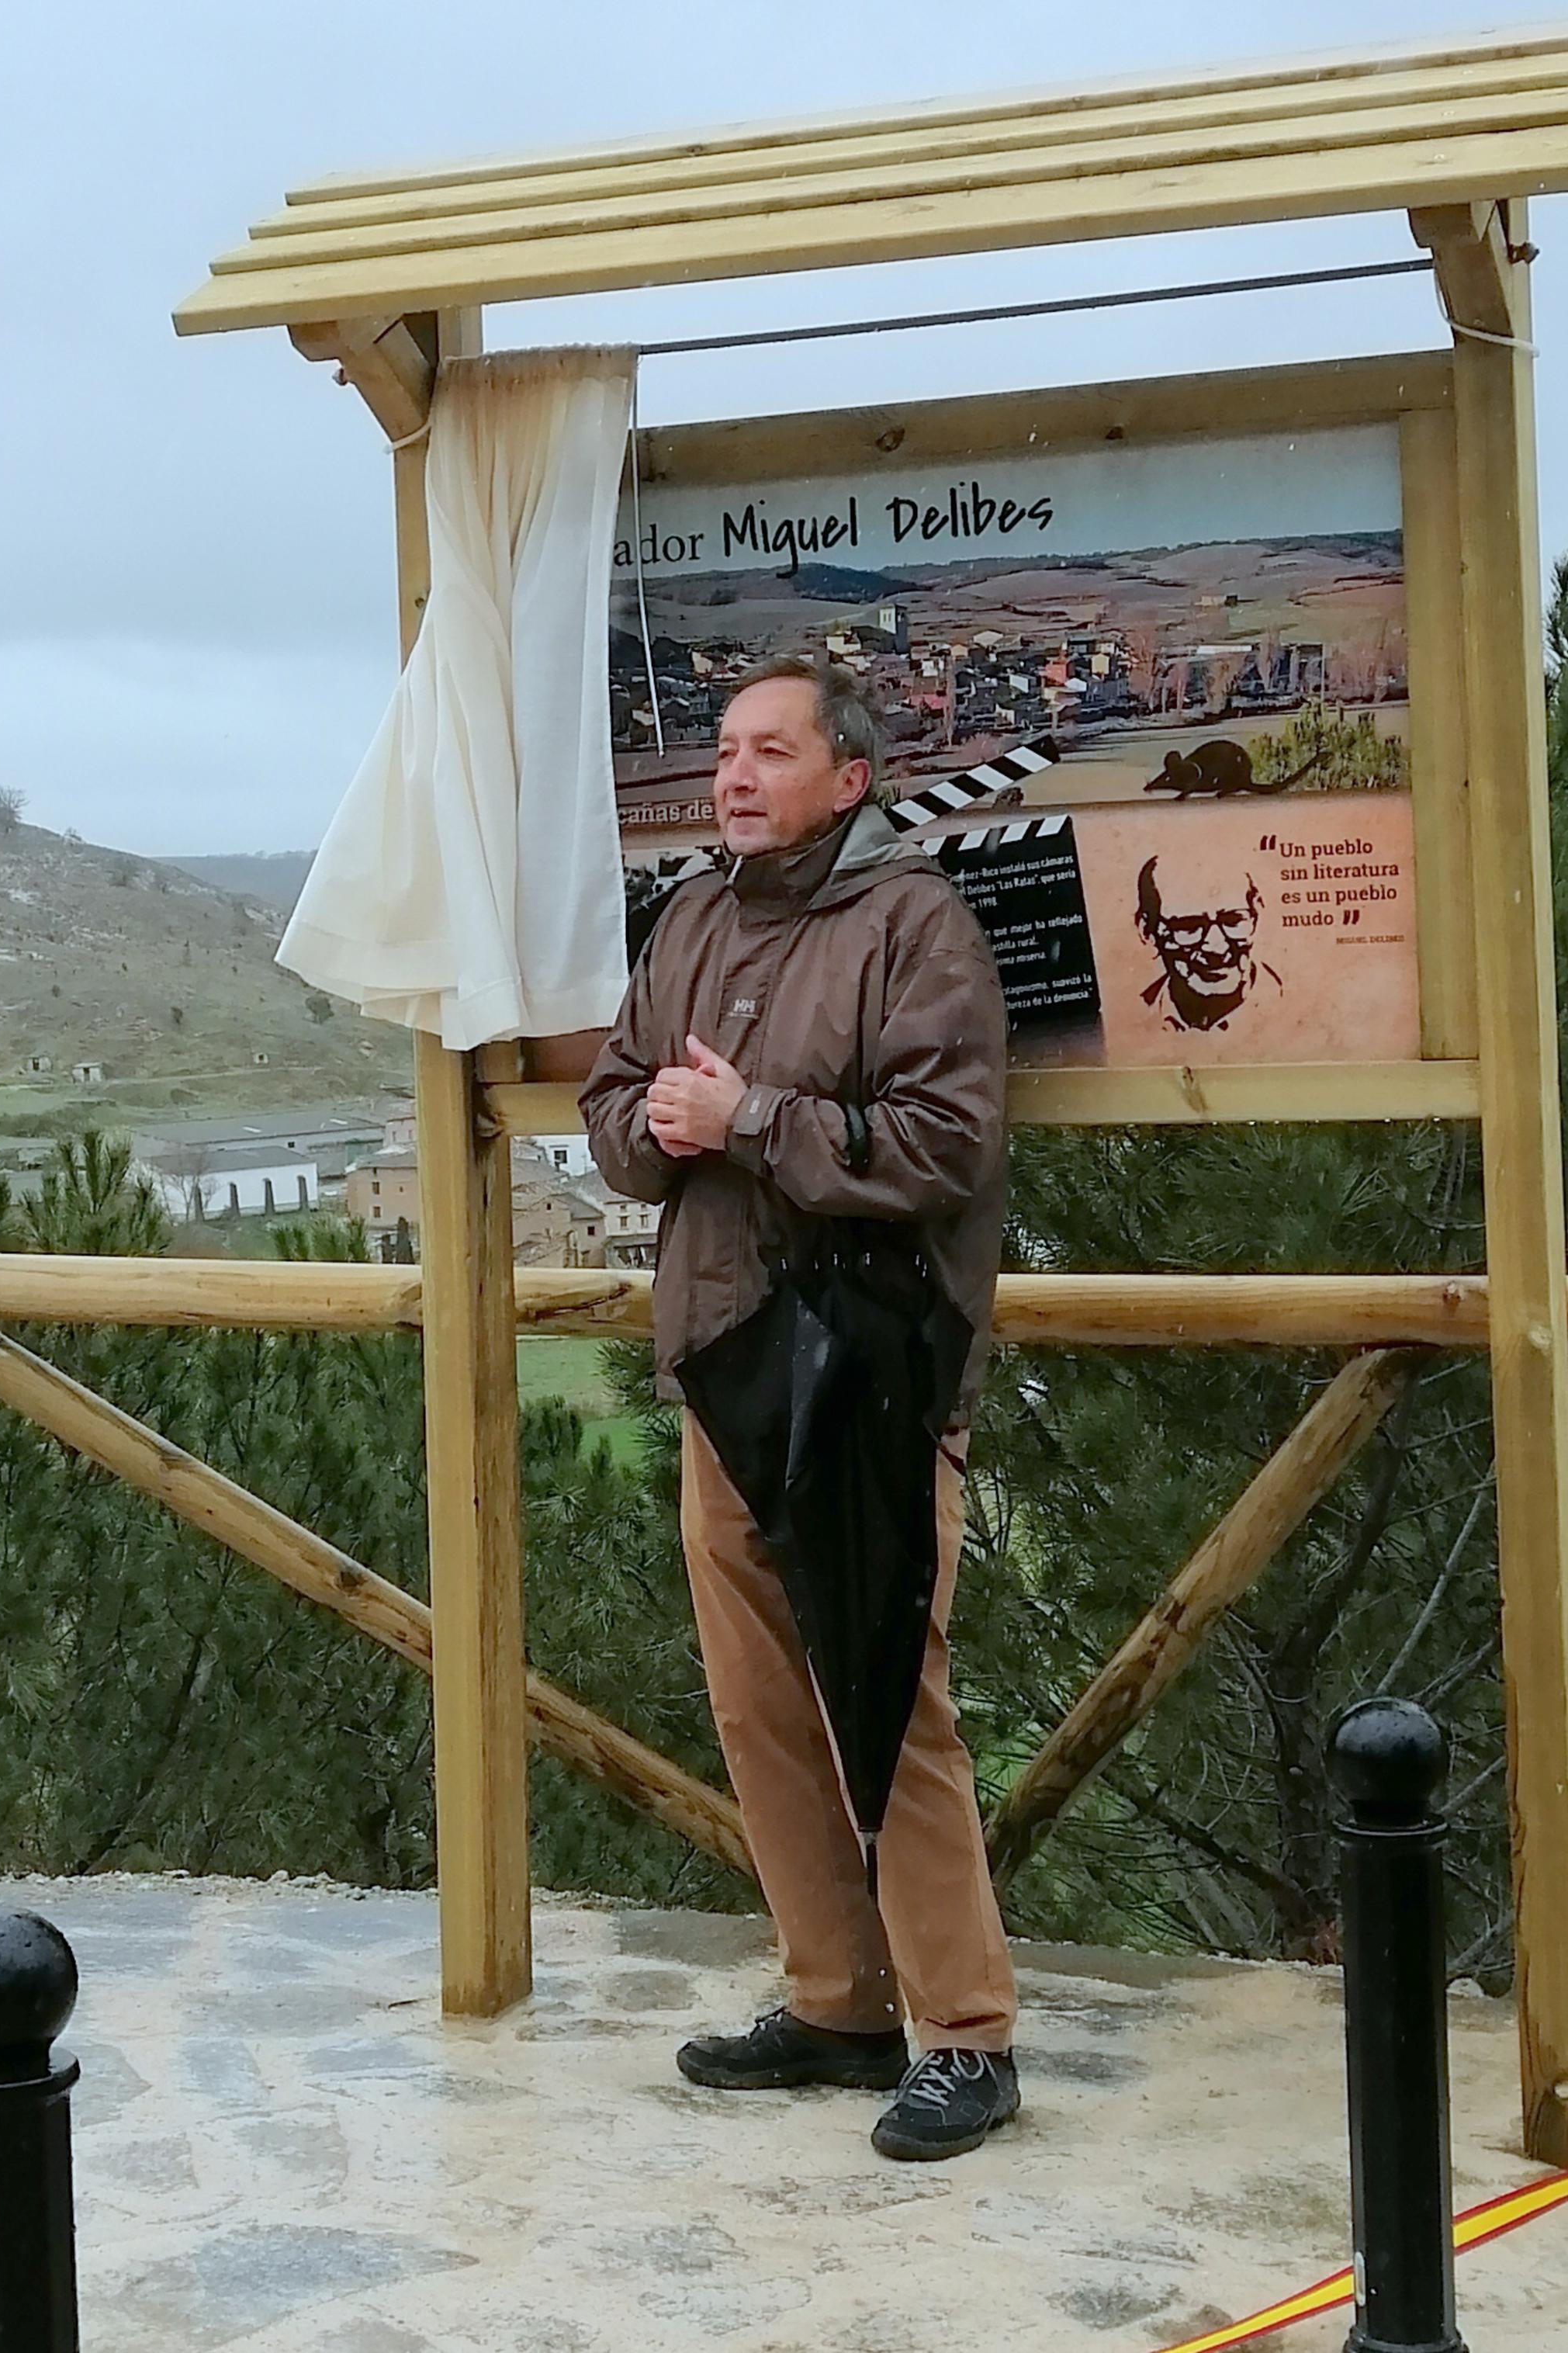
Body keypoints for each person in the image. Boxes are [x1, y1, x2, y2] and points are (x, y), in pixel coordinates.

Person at [580, 653, 1021, 2163]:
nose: (733, 774)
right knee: (760, 1706)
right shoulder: (692, 918)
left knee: (885, 1695)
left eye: (770, 750)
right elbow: (614, 1099)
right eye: (722, 750)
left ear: (850, 777)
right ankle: (837, 2003)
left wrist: (746, 1118)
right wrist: (653, 1122)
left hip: (872, 1373)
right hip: (724, 1360)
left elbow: (944, 1143)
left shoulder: (916, 924)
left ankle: (964, 2031)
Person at [1135, 845, 1283, 1033]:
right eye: (1190, 927)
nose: (1217, 948)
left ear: (1256, 915)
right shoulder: (1133, 1015)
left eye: (1233, 921)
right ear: (1148, 931)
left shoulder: (1292, 1006)